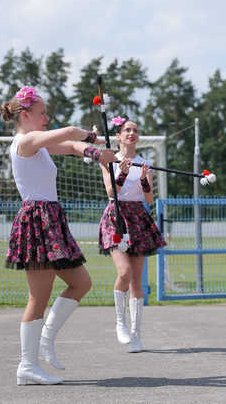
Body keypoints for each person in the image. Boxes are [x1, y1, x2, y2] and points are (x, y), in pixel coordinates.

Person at [2, 86, 116, 385]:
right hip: (37, 222)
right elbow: (66, 133)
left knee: (81, 283)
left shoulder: (38, 144)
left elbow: (69, 146)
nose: (46, 117)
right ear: (25, 115)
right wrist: (89, 136)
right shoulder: (25, 141)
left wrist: (95, 152)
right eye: (41, 113)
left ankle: (46, 339)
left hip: (51, 219)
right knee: (38, 297)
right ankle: (27, 366)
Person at [98, 116, 166, 353]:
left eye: (135, 130)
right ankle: (120, 323)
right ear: (118, 135)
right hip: (116, 216)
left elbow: (148, 199)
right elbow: (111, 191)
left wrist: (146, 179)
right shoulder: (109, 160)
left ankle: (136, 334)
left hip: (138, 217)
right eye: (127, 130)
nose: (132, 133)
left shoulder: (144, 163)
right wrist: (123, 173)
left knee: (137, 280)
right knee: (124, 272)